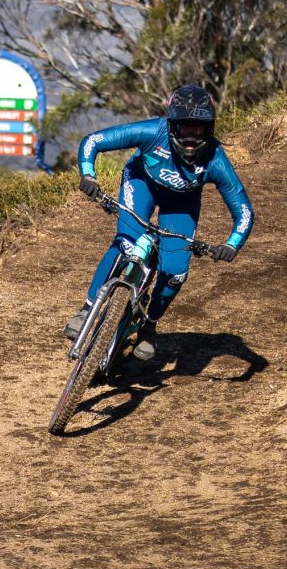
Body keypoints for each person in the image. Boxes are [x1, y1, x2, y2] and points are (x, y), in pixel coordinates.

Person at [66, 81, 253, 361]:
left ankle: (149, 327)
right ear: (171, 125)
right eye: (184, 127)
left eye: (198, 128)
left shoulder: (216, 160)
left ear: (210, 128)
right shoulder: (152, 131)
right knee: (126, 243)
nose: (190, 135)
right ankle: (86, 309)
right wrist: (88, 174)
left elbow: (244, 211)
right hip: (141, 183)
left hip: (181, 204)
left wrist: (231, 244)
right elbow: (93, 141)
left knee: (176, 271)